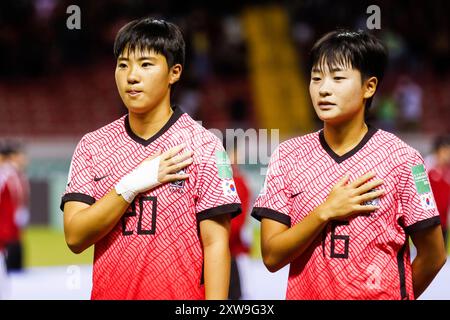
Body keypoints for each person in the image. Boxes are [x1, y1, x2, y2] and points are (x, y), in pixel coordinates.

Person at [251, 30, 446, 300]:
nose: (324, 89)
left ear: (370, 87)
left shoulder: (403, 159)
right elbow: (272, 256)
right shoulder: (287, 156)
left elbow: (434, 256)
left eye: (338, 78)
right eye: (316, 78)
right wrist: (326, 211)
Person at [60, 17, 241, 300]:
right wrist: (131, 184)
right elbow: (75, 236)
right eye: (123, 65)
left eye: (146, 64)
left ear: (174, 72)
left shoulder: (204, 146)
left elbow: (216, 244)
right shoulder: (92, 146)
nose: (131, 76)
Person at [428, 135, 450, 249]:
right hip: (430, 222)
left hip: (444, 223)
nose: (447, 155)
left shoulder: (448, 172)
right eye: (445, 151)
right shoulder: (427, 169)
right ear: (438, 151)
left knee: (442, 257)